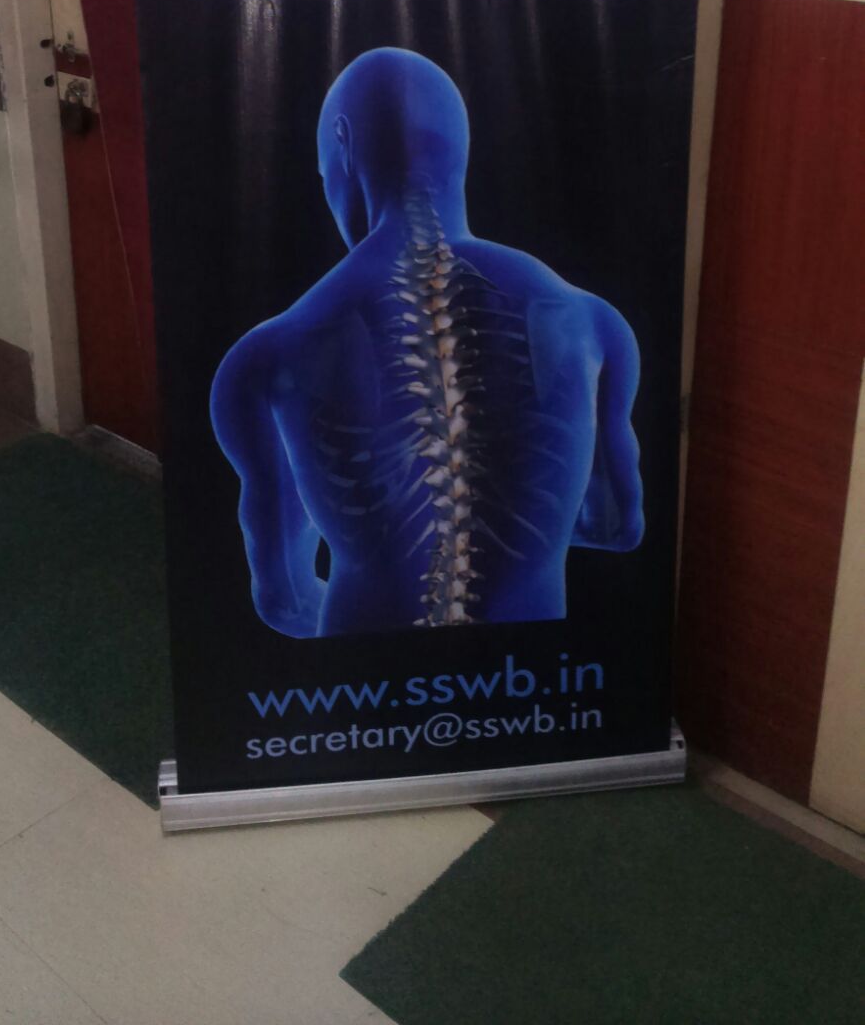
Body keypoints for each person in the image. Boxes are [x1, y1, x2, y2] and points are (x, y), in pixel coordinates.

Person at [211, 47, 643, 638]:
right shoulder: (591, 321)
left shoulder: (269, 354)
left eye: (322, 173)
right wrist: (520, 532)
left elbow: (283, 599)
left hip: (371, 678)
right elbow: (618, 526)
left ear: (342, 142)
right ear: (461, 150)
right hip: (523, 676)